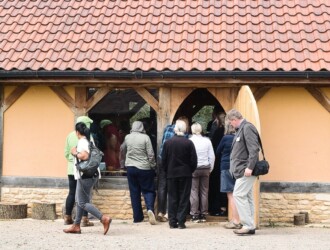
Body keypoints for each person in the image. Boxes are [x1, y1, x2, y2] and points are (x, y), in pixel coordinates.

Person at [64, 122, 112, 235]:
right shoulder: (88, 141)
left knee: (82, 202)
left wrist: (75, 152)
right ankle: (76, 225)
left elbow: (84, 156)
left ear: (77, 132)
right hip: (89, 175)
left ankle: (103, 218)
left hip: (85, 176)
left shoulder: (82, 142)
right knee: (80, 200)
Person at [227, 109, 260, 235]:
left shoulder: (247, 128)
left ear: (234, 120)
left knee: (238, 195)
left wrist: (250, 167)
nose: (231, 125)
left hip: (245, 169)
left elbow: (254, 149)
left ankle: (247, 225)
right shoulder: (242, 128)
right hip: (242, 169)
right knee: (247, 196)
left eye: (231, 122)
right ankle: (250, 225)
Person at [162, 120, 197, 229]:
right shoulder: (189, 143)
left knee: (172, 197)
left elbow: (163, 160)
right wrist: (189, 170)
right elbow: (194, 160)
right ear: (185, 129)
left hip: (172, 173)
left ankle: (172, 222)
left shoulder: (168, 143)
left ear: (175, 129)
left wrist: (167, 170)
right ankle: (181, 221)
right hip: (185, 173)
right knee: (184, 197)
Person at [122, 121, 157, 225]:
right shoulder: (146, 137)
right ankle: (150, 209)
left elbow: (122, 149)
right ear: (142, 127)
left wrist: (125, 161)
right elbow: (150, 154)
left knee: (134, 193)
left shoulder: (127, 137)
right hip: (144, 168)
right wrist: (153, 166)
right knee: (148, 190)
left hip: (131, 168)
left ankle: (137, 217)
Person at [63, 116, 94, 227]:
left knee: (72, 192)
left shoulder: (69, 136)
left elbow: (66, 153)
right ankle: (84, 219)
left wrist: (72, 161)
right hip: (83, 170)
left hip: (71, 169)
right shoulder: (88, 137)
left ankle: (68, 217)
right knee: (84, 195)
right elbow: (90, 153)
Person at [216, 118, 241, 229]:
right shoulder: (238, 138)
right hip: (238, 168)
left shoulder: (225, 138)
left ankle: (235, 220)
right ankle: (240, 219)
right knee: (240, 194)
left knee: (231, 195)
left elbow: (217, 151)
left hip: (226, 167)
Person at [189, 123, 215, 223]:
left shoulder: (190, 141)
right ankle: (203, 214)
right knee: (204, 191)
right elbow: (212, 156)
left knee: (194, 191)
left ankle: (194, 214)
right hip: (205, 167)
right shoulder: (207, 141)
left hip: (194, 168)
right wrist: (210, 168)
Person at [208, 112, 227, 216]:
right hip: (228, 163)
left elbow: (214, 146)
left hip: (218, 161)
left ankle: (215, 208)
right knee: (226, 185)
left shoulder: (218, 131)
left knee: (216, 185)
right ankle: (224, 207)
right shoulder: (230, 133)